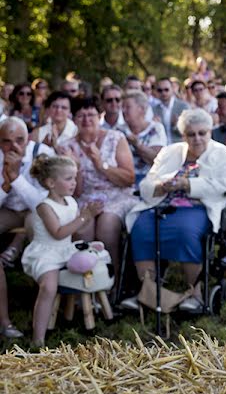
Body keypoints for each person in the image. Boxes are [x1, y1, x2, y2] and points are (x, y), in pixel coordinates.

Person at [122, 110, 226, 312]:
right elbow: (147, 183)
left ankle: (195, 292)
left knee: (185, 233)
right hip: (161, 204)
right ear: (183, 135)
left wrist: (189, 185)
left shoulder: (221, 153)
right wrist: (160, 186)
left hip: (199, 206)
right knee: (141, 229)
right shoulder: (170, 152)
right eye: (191, 134)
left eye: (202, 133)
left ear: (210, 132)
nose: (197, 138)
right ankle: (149, 292)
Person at [22, 156, 103, 346]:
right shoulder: (45, 207)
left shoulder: (71, 202)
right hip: (46, 253)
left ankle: (77, 314)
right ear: (51, 183)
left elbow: (76, 230)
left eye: (75, 178)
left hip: (65, 250)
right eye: (68, 179)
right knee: (49, 287)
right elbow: (58, 233)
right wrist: (83, 217)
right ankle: (38, 339)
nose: (74, 183)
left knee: (89, 263)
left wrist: (89, 217)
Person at [62, 96, 137, 280]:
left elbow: (129, 178)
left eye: (91, 115)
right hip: (86, 196)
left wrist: (100, 163)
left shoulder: (115, 138)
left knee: (106, 226)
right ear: (73, 119)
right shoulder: (67, 146)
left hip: (117, 194)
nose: (87, 120)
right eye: (81, 116)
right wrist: (76, 167)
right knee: (82, 229)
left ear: (99, 116)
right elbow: (76, 192)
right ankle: (85, 287)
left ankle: (112, 282)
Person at [0, 118, 54, 268]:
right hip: (9, 210)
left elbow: (44, 204)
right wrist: (5, 185)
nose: (14, 147)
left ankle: (41, 275)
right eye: (6, 141)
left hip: (35, 212)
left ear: (28, 138)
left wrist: (16, 178)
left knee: (39, 226)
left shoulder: (43, 153)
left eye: (19, 140)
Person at [119, 91, 166, 187]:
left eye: (128, 107)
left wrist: (137, 145)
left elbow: (156, 159)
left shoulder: (156, 128)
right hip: (125, 181)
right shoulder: (118, 130)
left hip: (150, 180)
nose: (123, 110)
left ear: (141, 109)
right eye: (122, 107)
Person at [152, 78, 190, 144]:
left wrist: (176, 125)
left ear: (172, 89)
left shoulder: (183, 106)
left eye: (166, 89)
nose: (163, 93)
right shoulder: (153, 109)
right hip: (162, 148)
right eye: (160, 90)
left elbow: (189, 131)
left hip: (180, 146)